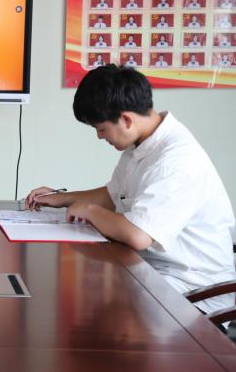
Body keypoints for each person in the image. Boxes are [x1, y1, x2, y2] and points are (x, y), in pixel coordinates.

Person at [25, 65, 236, 315]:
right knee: (80, 293)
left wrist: (90, 210)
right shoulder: (143, 141)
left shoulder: (176, 160)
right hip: (154, 272)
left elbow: (139, 235)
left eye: (101, 129)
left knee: (82, 302)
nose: (99, 137)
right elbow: (113, 195)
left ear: (126, 119)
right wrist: (61, 198)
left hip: (193, 292)